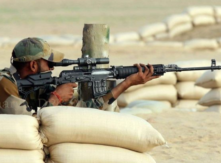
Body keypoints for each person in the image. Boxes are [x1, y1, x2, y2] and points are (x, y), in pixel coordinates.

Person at [0, 37, 159, 115]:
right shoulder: (4, 84)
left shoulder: (37, 87)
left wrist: (127, 83)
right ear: (33, 65)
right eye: (49, 63)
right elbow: (28, 126)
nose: (52, 67)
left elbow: (87, 109)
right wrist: (55, 98)